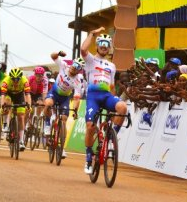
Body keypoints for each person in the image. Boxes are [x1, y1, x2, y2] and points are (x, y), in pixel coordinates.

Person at [81, 27, 128, 174]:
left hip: (107, 96)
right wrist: (92, 34)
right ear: (97, 45)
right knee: (90, 126)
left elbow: (112, 86)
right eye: (101, 43)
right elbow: (83, 49)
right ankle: (88, 158)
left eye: (107, 44)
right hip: (93, 97)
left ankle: (111, 139)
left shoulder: (112, 66)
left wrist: (113, 105)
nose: (104, 46)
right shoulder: (90, 60)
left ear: (109, 48)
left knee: (122, 107)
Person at [43, 51, 83, 159]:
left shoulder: (78, 81)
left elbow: (77, 98)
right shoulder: (64, 66)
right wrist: (58, 53)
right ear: (72, 63)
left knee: (64, 119)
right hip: (54, 93)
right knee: (48, 104)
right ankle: (47, 125)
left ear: (79, 70)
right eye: (74, 64)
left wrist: (75, 110)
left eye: (78, 67)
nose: (74, 67)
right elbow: (52, 56)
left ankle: (62, 148)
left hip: (64, 98)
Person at [0, 67, 31, 152]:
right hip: (9, 94)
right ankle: (6, 124)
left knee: (21, 116)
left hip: (19, 95)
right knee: (7, 104)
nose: (15, 81)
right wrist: (2, 106)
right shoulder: (6, 81)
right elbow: (2, 96)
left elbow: (28, 95)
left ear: (20, 78)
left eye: (17, 79)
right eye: (13, 79)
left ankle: (21, 141)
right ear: (11, 78)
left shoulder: (25, 81)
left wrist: (29, 105)